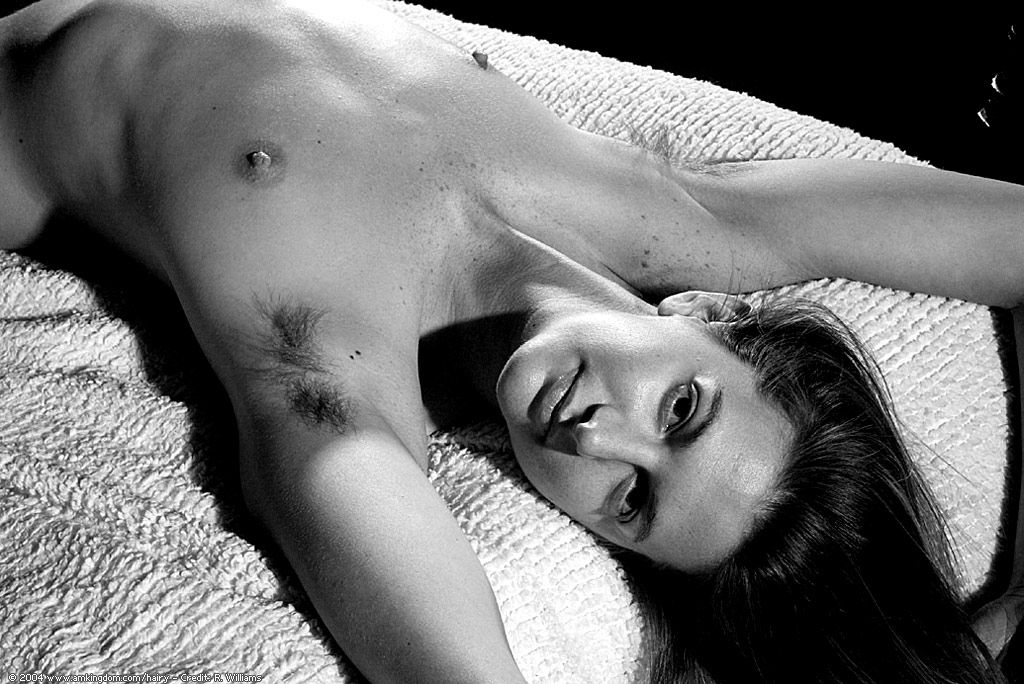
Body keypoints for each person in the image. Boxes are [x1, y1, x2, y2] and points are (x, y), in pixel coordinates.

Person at [0, 0, 1021, 681]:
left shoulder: (336, 378)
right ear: (712, 321)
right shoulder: (679, 215)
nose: (598, 437)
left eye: (631, 501)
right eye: (680, 412)